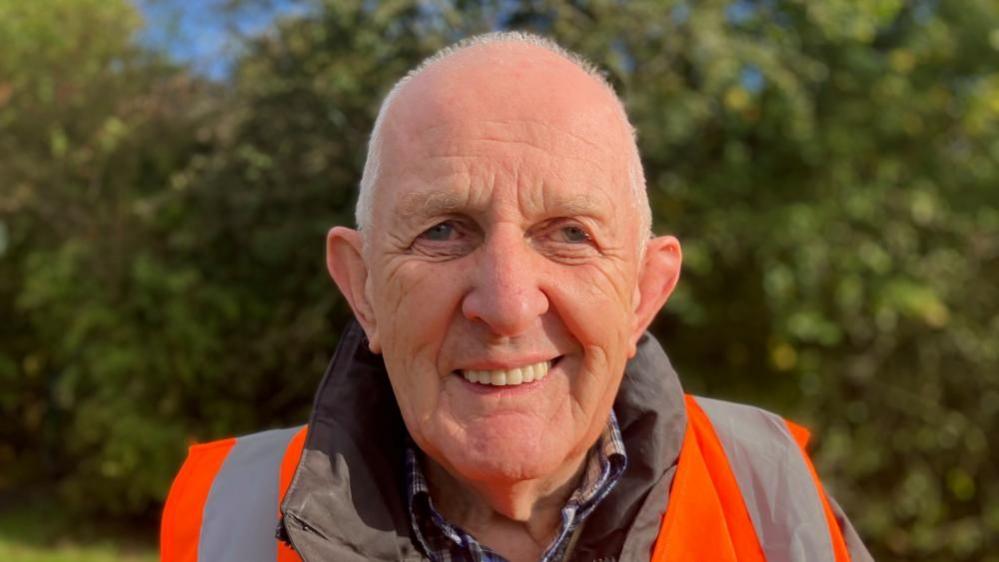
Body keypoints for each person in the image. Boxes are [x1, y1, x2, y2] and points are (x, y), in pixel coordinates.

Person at [160, 32, 873, 562]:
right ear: (363, 286)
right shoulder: (228, 517)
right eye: (442, 231)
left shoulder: (771, 491)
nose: (505, 305)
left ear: (644, 293)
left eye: (568, 233)